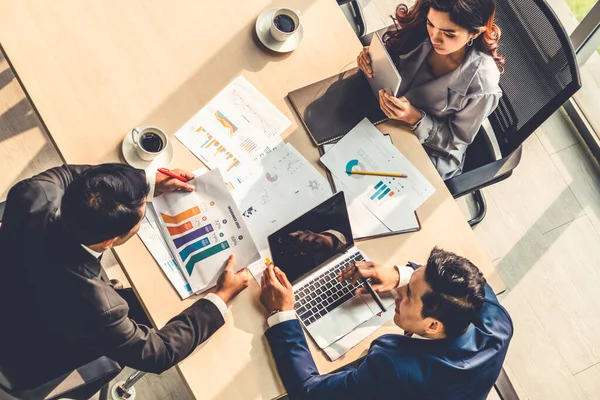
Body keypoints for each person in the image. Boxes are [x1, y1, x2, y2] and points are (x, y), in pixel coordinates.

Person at [0, 164, 249, 390]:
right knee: (140, 310)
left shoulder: (32, 193)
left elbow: (72, 176)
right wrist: (219, 298)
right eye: (139, 218)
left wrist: (144, 184)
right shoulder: (102, 306)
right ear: (109, 241)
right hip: (24, 355)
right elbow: (158, 353)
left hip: (12, 281)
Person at [260, 247, 513, 399]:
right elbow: (475, 280)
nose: (399, 292)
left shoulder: (393, 368)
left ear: (433, 325)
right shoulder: (498, 325)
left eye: (409, 294)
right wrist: (398, 274)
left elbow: (308, 393)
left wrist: (282, 314)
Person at [357, 0, 504, 180]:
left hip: (429, 151)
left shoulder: (483, 87)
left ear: (475, 32)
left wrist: (414, 118)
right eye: (431, 24)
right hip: (385, 117)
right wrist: (370, 56)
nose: (434, 37)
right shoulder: (421, 25)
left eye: (449, 34)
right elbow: (379, 43)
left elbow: (454, 140)